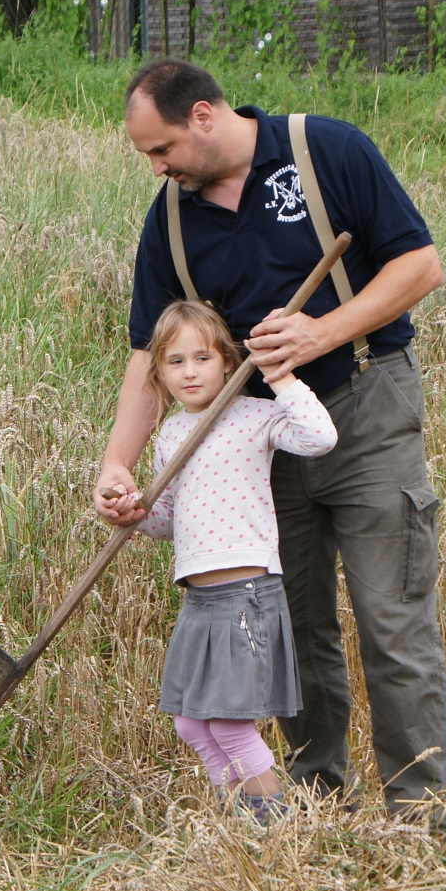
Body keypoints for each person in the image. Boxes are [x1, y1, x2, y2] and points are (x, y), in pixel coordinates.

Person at [95, 59, 446, 831]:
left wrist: (322, 332)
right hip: (257, 442)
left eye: (161, 149)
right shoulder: (170, 222)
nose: (156, 168)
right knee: (294, 627)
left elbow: (421, 265)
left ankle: (422, 819)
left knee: (392, 622)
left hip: (365, 405)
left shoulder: (326, 150)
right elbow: (146, 358)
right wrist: (117, 464)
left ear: (202, 116)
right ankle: (320, 805)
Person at [110, 300, 336, 822]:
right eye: (175, 362)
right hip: (200, 598)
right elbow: (168, 520)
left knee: (231, 724)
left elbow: (320, 438)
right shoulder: (171, 434)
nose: (190, 372)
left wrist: (280, 376)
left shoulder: (254, 416)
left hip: (246, 595)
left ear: (229, 363)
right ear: (159, 374)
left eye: (202, 358)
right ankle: (235, 814)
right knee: (191, 722)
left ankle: (273, 823)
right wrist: (133, 513)